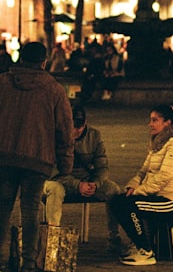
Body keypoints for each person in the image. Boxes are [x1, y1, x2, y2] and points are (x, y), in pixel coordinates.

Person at [0, 41, 74, 272]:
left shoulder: (2, 82)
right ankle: (28, 266)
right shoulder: (54, 89)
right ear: (44, 61)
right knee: (30, 209)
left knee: (1, 207)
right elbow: (65, 130)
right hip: (37, 157)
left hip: (5, 155)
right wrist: (66, 165)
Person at [109, 103, 173, 266]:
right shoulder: (158, 143)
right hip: (158, 197)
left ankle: (145, 251)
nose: (150, 124)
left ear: (167, 123)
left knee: (128, 206)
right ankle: (139, 243)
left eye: (155, 120)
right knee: (117, 201)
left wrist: (138, 192)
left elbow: (163, 177)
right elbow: (143, 171)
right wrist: (132, 186)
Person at [41, 106, 125, 253]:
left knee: (114, 190)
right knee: (55, 190)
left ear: (85, 123)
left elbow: (102, 166)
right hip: (60, 180)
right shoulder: (55, 135)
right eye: (71, 126)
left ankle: (114, 237)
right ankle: (52, 238)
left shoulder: (94, 136)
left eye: (79, 126)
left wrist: (95, 183)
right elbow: (53, 171)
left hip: (87, 181)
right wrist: (77, 185)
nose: (75, 130)